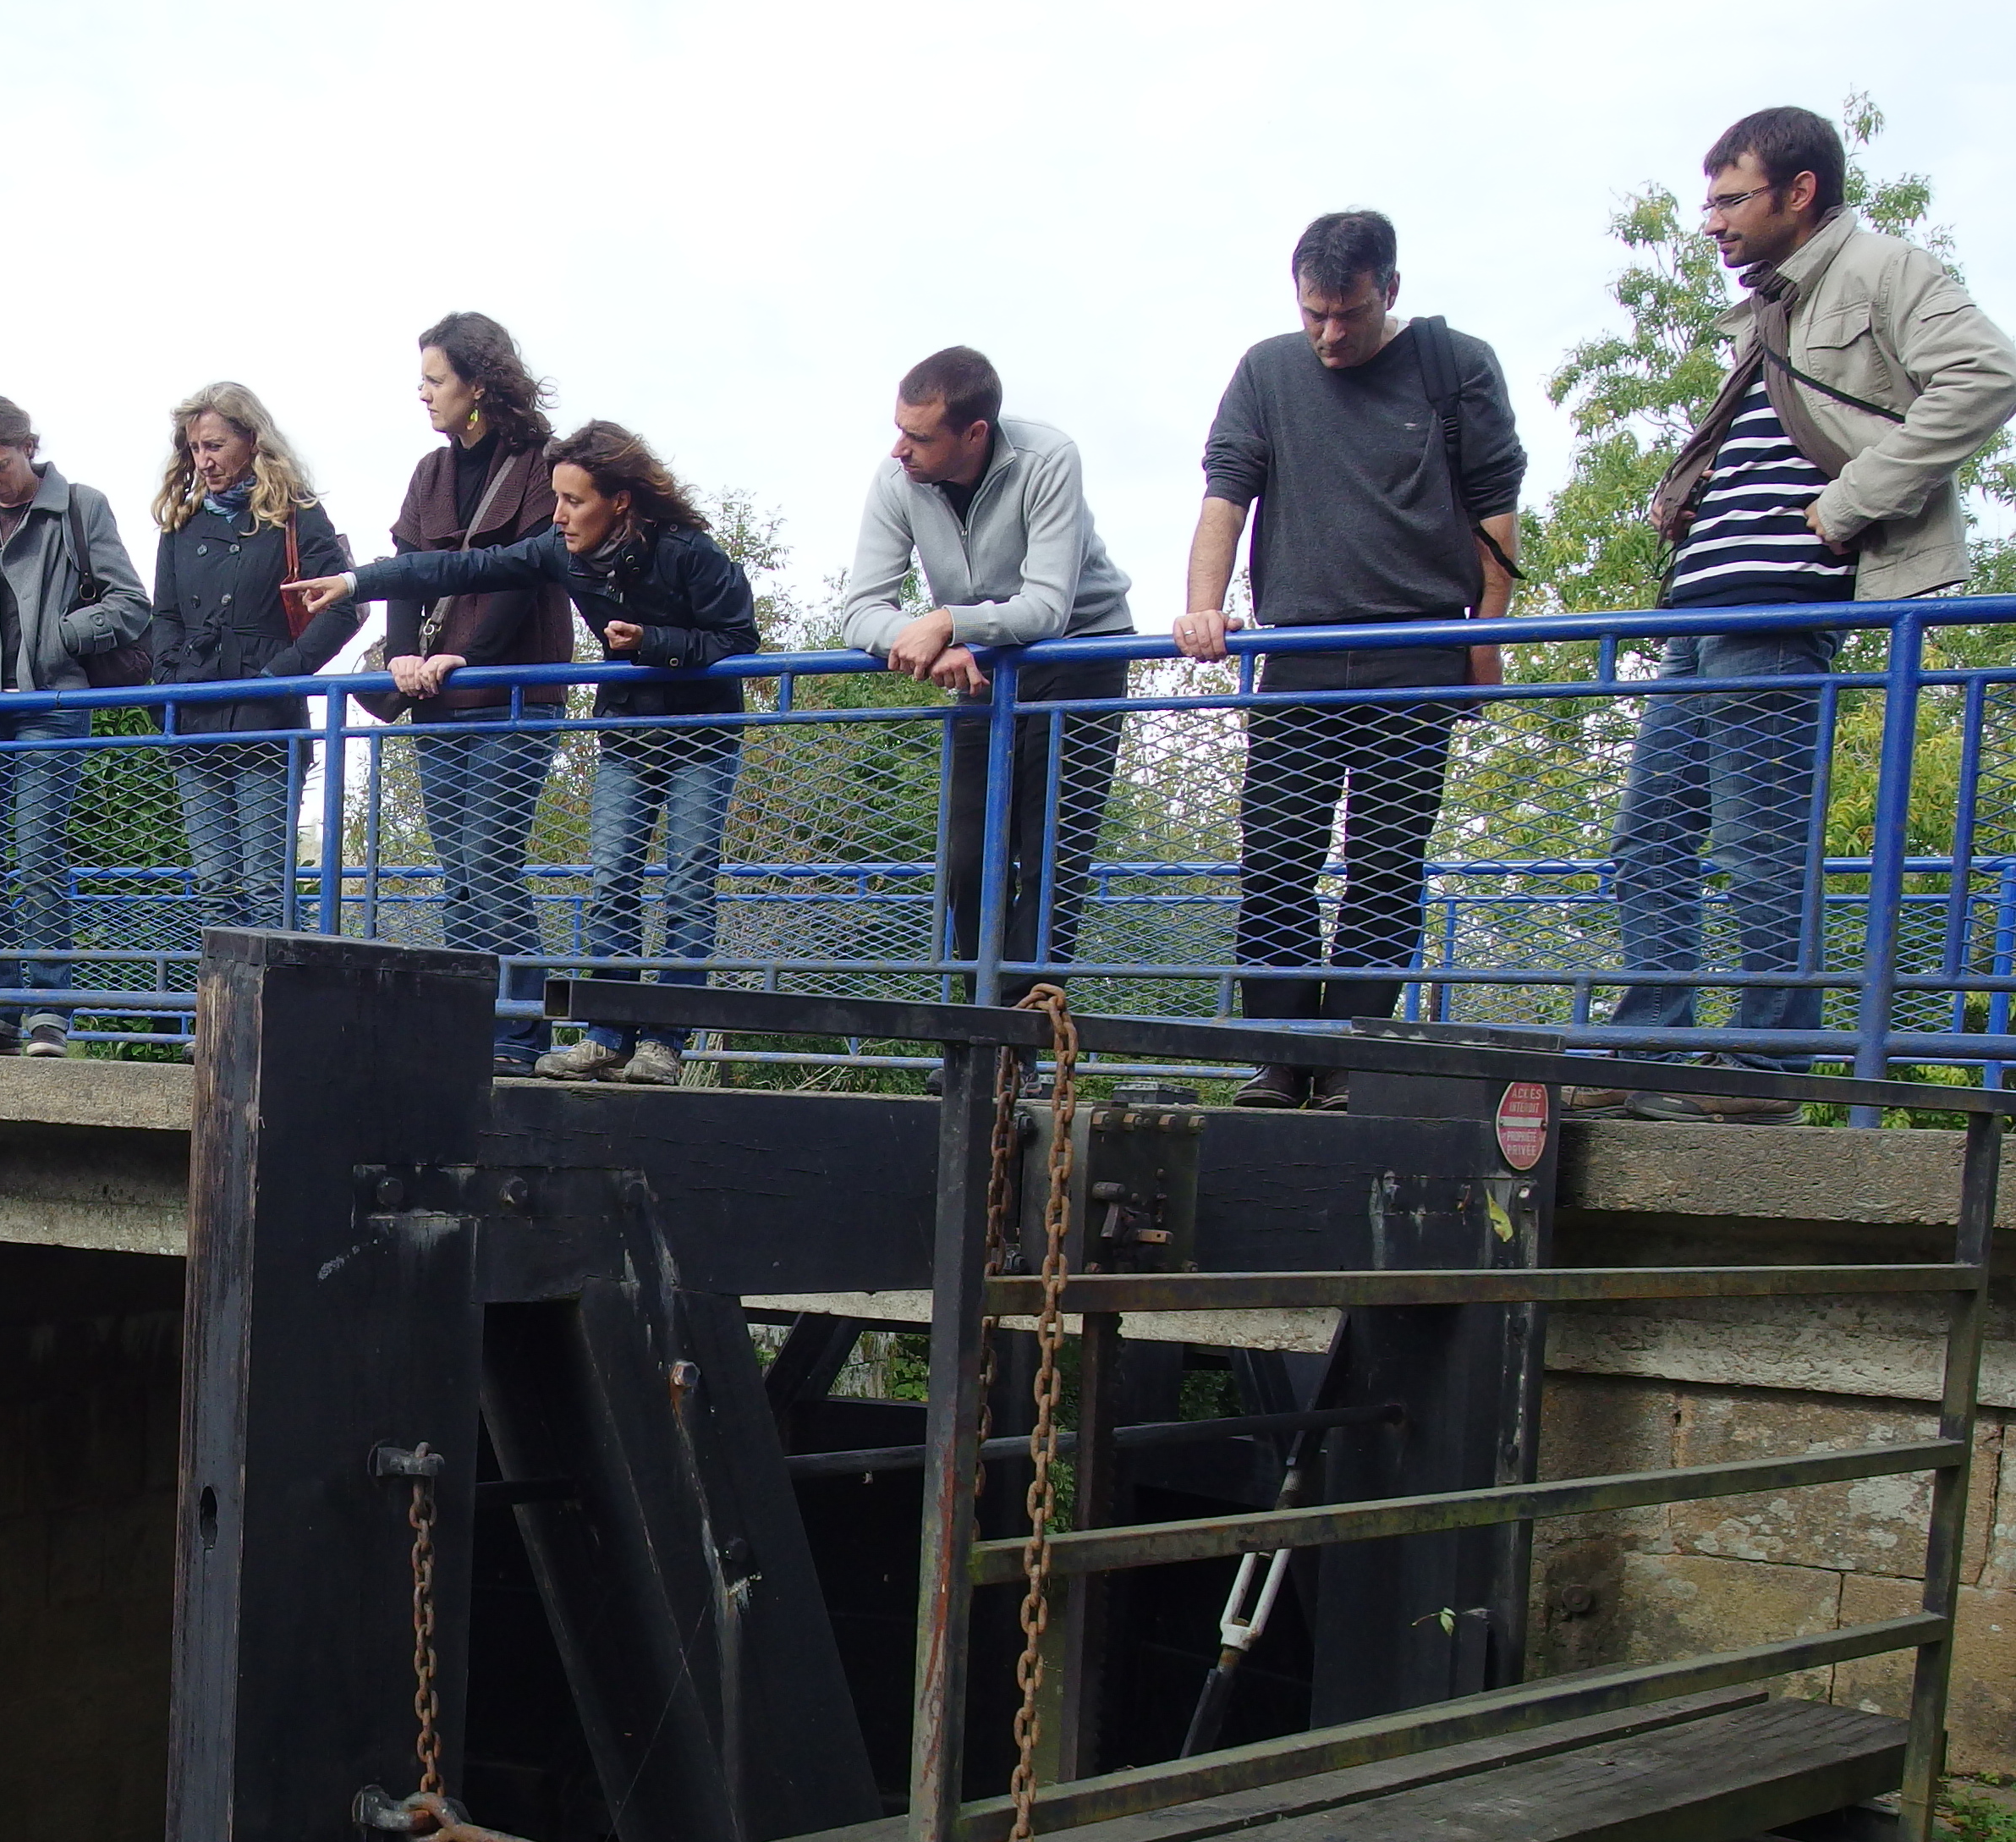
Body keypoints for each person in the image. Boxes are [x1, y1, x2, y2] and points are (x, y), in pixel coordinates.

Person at [1593, 105, 2016, 1123]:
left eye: (1730, 198)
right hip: (1696, 615)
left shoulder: (1878, 268)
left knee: (1759, 843)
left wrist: (1849, 503)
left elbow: (1988, 375)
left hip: (1778, 607)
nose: (1711, 222)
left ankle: (1769, 1069)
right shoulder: (1769, 308)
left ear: (1799, 192)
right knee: (1646, 840)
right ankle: (1649, 1051)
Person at [1173, 212, 1525, 1109]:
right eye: (1312, 314)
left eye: (1349, 313)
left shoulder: (1457, 364)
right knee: (1277, 855)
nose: (1329, 334)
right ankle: (1282, 1053)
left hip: (1418, 649)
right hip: (1300, 650)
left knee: (1384, 862)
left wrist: (1481, 645)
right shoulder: (1267, 368)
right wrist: (1203, 607)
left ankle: (1349, 1059)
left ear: (1391, 293)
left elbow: (1494, 511)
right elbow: (1225, 490)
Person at [294, 421, 759, 1086]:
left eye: (574, 501)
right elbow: (459, 566)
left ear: (620, 501)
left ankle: (663, 1042)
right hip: (626, 733)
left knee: (685, 885)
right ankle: (607, 1034)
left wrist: (656, 641)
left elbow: (740, 640)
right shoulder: (562, 551)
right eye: (558, 500)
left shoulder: (689, 551)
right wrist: (353, 582)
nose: (560, 515)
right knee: (610, 883)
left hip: (701, 736)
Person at [837, 346, 1136, 988]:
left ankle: (1020, 1036)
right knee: (968, 859)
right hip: (978, 665)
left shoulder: (1049, 457)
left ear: (974, 433)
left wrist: (949, 622)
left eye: (918, 436)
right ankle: (983, 1031)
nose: (898, 449)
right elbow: (860, 609)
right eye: (898, 429)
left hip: (1081, 652)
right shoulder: (897, 480)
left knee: (1051, 855)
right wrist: (933, 643)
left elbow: (1048, 607)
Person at [0, 397, 153, 1058]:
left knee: (38, 857)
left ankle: (50, 1012)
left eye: (2, 465)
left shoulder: (82, 506)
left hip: (51, 706)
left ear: (30, 447)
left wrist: (61, 637)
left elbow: (132, 603)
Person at [376, 314, 575, 1074]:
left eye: (435, 381)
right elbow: (405, 572)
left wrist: (468, 653)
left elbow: (531, 574)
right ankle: (471, 1031)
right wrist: (402, 656)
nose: (422, 394)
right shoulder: (430, 473)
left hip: (514, 691)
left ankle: (521, 1037)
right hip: (437, 699)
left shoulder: (537, 463)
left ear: (478, 386)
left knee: (490, 859)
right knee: (457, 870)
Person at [146, 383, 360, 934]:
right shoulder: (181, 523)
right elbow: (165, 614)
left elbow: (340, 608)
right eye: (195, 448)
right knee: (214, 882)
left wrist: (280, 677)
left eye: (215, 445)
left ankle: (284, 1014)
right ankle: (227, 1017)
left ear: (251, 440)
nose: (204, 460)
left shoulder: (298, 515)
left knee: (268, 883)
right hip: (196, 717)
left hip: (268, 720)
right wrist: (168, 677)